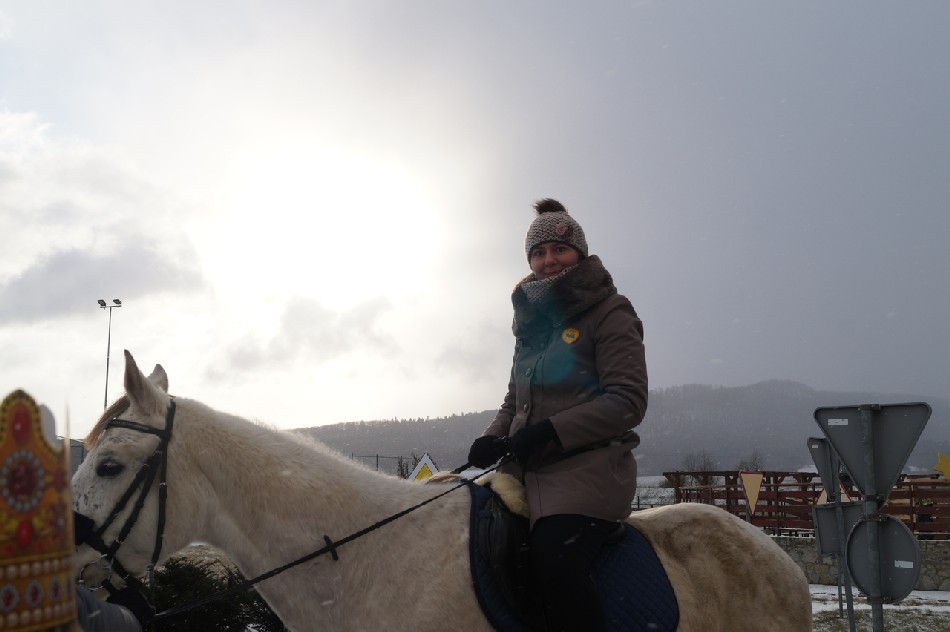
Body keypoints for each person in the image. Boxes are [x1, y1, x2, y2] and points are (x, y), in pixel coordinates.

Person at [467, 198, 648, 632]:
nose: (549, 260)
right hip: (523, 472)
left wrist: (551, 430)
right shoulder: (531, 326)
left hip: (588, 472)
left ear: (579, 254)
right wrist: (490, 437)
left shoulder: (611, 311)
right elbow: (514, 401)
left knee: (554, 560)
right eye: (539, 252)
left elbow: (628, 401)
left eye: (559, 250)